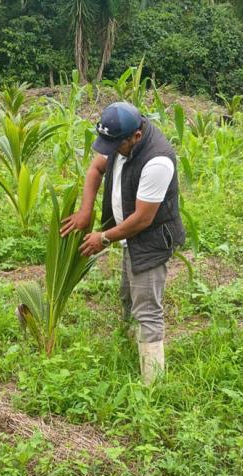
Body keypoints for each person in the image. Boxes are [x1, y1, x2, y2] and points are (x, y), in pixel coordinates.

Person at [60, 102, 185, 384]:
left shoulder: (157, 160)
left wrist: (103, 238)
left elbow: (142, 218)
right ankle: (131, 351)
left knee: (148, 309)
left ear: (136, 136)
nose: (110, 150)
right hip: (129, 237)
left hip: (151, 240)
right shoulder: (121, 143)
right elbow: (95, 169)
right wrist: (86, 211)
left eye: (116, 144)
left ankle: (153, 385)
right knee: (128, 298)